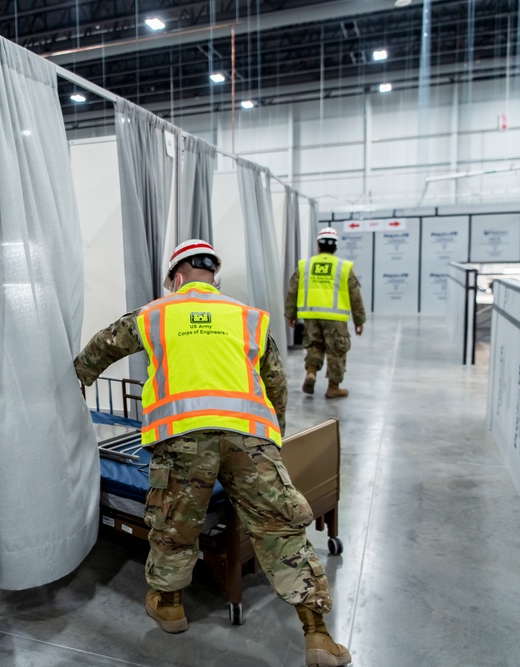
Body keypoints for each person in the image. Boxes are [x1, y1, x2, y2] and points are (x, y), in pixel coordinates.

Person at [74, 240, 351, 667]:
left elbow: (102, 346)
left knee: (174, 524)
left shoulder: (154, 314)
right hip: (249, 439)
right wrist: (270, 436)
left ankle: (169, 605)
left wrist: (80, 378)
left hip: (182, 439)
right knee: (281, 529)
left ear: (177, 277)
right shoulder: (249, 318)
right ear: (213, 279)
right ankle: (317, 635)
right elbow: (275, 383)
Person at [285, 227, 366, 398]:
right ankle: (333, 387)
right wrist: (359, 320)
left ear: (318, 246)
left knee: (314, 346)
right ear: (335, 247)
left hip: (311, 316)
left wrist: (290, 314)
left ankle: (311, 373)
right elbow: (355, 296)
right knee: (336, 350)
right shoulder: (344, 267)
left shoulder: (305, 265)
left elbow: (293, 290)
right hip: (335, 319)